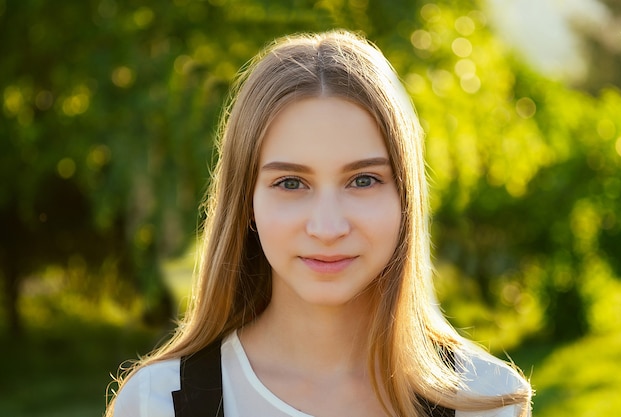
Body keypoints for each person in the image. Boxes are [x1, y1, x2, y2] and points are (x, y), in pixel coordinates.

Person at [106, 30, 533, 417]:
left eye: (363, 180)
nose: (327, 228)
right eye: (291, 183)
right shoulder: (157, 404)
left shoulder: (487, 402)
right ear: (246, 203)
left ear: (405, 198)